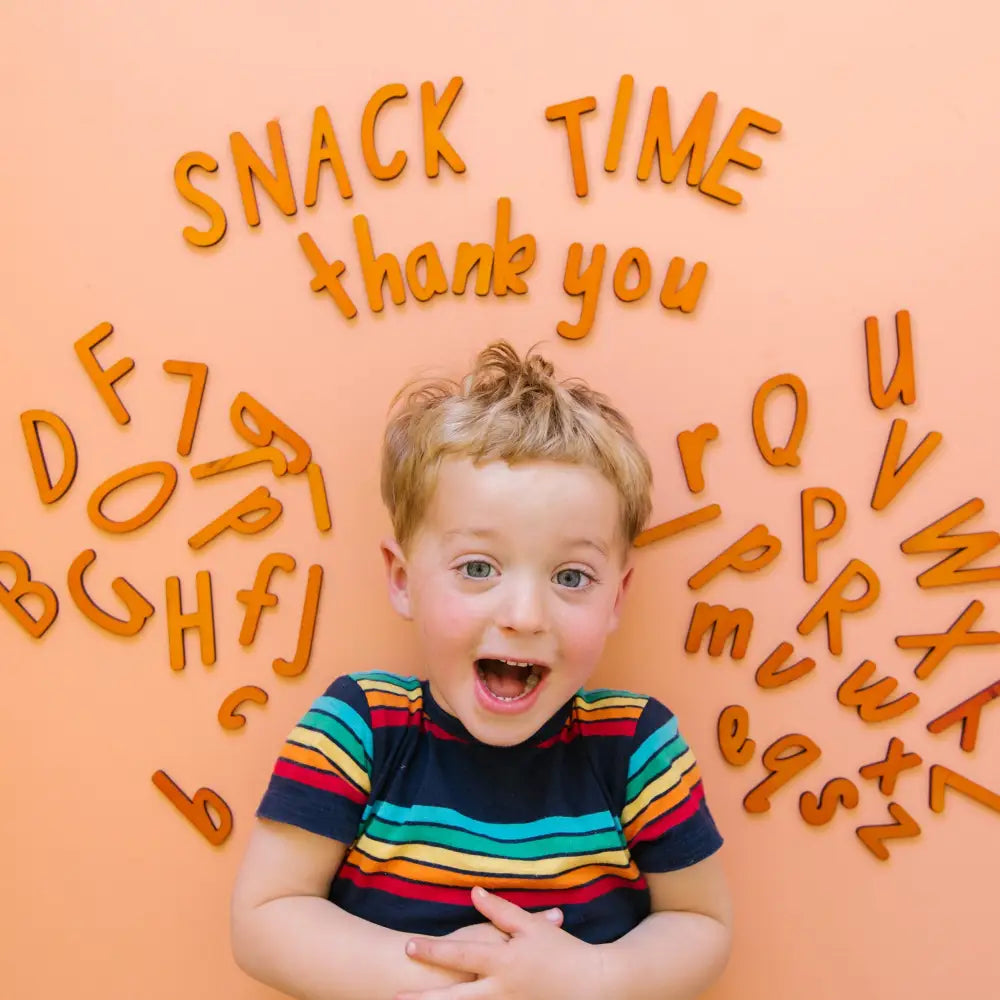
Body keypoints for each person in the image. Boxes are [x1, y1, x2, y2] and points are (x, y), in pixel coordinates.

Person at [231, 341, 732, 1000]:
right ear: (404, 580)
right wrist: (470, 980)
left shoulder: (637, 747)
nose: (524, 614)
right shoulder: (359, 727)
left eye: (571, 576)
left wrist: (593, 977)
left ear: (617, 599)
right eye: (477, 568)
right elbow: (264, 921)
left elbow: (701, 923)